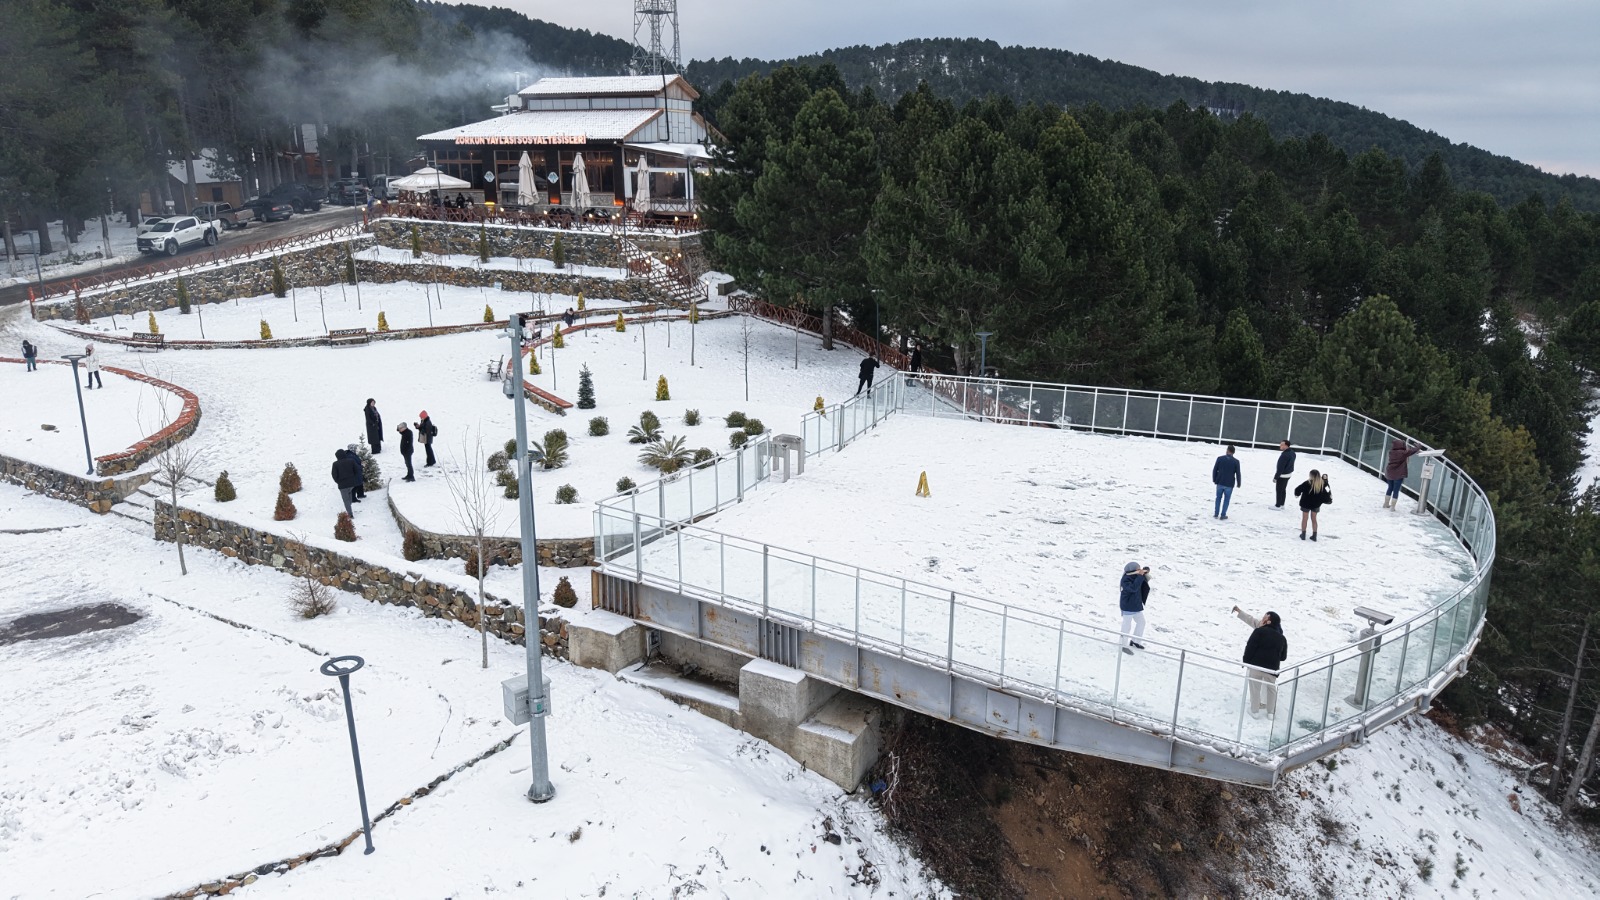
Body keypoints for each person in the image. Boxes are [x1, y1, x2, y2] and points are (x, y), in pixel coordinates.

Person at [1232, 607, 1287, 717]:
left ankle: (1255, 710)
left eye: (1264, 617)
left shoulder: (1260, 630)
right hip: (1272, 669)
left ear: (1269, 621)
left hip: (1257, 666)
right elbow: (1283, 657)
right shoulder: (1281, 637)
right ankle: (1270, 712)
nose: (1262, 619)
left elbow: (1250, 647)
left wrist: (1246, 661)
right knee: (1271, 689)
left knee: (1255, 687)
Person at [1119, 561, 1150, 654]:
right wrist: (1140, 576)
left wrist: (1145, 572)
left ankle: (1135, 641)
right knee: (1126, 626)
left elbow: (1145, 581)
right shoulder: (1125, 579)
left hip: (1136, 606)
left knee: (1141, 622)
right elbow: (1133, 588)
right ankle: (1122, 645)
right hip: (1128, 606)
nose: (1140, 570)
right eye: (1138, 568)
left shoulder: (1137, 576)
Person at [1294, 469, 1333, 540]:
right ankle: (1314, 535)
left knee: (1305, 519)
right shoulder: (1322, 484)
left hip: (1306, 503)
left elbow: (1298, 489)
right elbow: (1327, 492)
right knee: (1314, 519)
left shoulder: (1307, 483)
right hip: (1316, 504)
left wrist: (1297, 494)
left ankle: (1303, 534)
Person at [1383, 439, 1420, 510]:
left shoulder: (1391, 452)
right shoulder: (1403, 453)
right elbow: (1413, 451)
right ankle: (1392, 507)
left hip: (1389, 472)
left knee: (1390, 488)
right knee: (1396, 490)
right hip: (1398, 474)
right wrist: (1418, 446)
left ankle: (1386, 503)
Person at [1212, 444, 1241, 519]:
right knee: (1226, 500)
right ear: (1233, 452)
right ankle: (1223, 514)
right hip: (1229, 483)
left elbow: (1215, 470)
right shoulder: (1236, 462)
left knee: (1218, 498)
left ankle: (1216, 513)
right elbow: (1238, 473)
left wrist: (1214, 479)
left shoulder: (1220, 459)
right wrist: (1239, 483)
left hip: (1220, 481)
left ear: (1227, 450)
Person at [331, 448, 362, 518]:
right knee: (349, 494)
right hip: (351, 483)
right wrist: (353, 478)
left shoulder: (335, 464)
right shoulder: (351, 461)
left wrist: (338, 481)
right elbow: (356, 470)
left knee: (346, 500)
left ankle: (350, 514)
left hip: (342, 484)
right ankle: (349, 507)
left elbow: (334, 475)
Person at [1273, 440, 1296, 509]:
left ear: (1286, 445)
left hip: (1283, 475)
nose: (1280, 446)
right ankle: (1282, 504)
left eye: (1282, 445)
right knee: (1283, 489)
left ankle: (1278, 505)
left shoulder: (1284, 455)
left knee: (1279, 490)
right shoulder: (1292, 453)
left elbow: (1280, 468)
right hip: (1288, 474)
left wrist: (1276, 477)